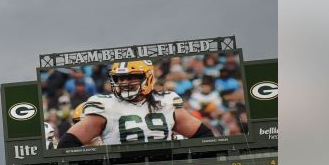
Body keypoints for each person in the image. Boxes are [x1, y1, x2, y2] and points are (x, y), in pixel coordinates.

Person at [59, 60, 213, 147]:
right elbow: (67, 144)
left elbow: (204, 136)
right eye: (120, 78)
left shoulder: (166, 102)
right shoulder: (105, 105)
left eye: (132, 77)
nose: (124, 82)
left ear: (148, 78)